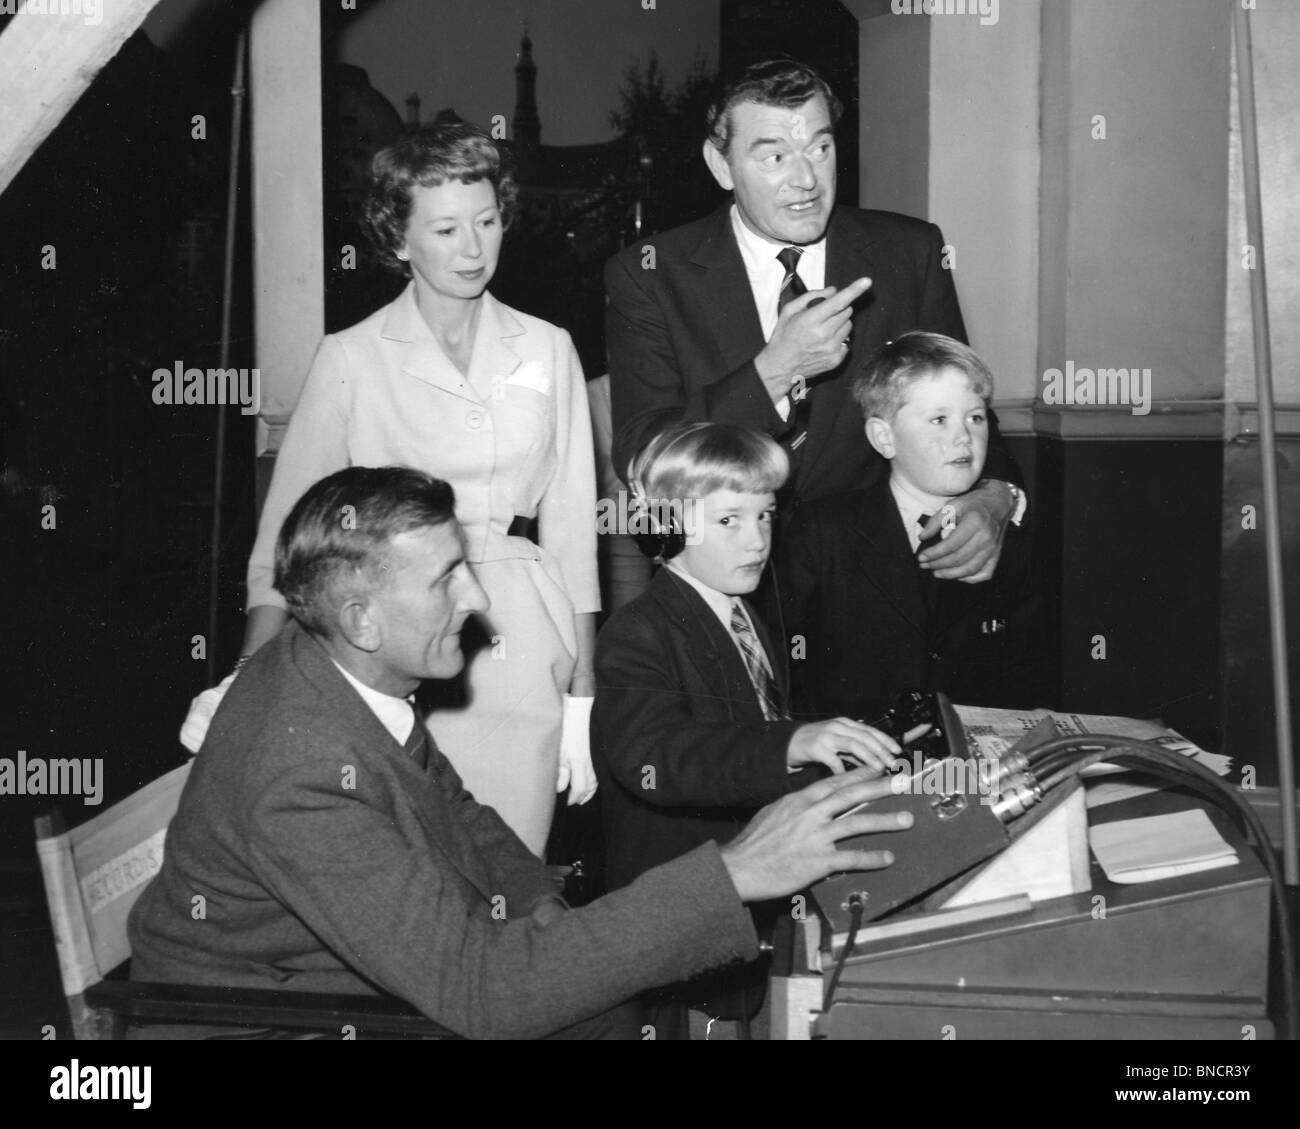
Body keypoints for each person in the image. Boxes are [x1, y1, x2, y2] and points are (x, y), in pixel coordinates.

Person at [127, 466, 913, 1040]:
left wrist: (538, 908)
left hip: (337, 986)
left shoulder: (338, 661)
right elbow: (482, 991)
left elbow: (459, 814)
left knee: (597, 998)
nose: (475, 597)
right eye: (446, 579)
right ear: (363, 619)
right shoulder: (299, 770)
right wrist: (737, 870)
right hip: (274, 1020)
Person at [201, 122, 599, 856]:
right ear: (396, 239)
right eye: (446, 229)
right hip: (388, 646)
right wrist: (246, 677)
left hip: (521, 648)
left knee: (511, 879)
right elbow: (286, 542)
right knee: (406, 883)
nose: (474, 249)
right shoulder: (351, 357)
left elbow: (575, 532)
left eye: (487, 222)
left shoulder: (549, 347)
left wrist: (583, 695)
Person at [604, 58, 1025, 585]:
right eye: (775, 156)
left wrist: (995, 497)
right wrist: (772, 373)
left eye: (819, 149)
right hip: (726, 583)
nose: (805, 180)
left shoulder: (909, 253)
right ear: (720, 165)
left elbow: (967, 409)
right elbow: (645, 455)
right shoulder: (651, 275)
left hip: (882, 580)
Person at [592, 422, 905, 1037]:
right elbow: (654, 755)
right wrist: (789, 742)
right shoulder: (639, 631)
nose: (757, 539)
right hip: (680, 890)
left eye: (764, 517)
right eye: (730, 520)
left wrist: (830, 742)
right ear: (668, 524)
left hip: (745, 893)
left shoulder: (744, 614)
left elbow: (759, 720)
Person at [780, 333, 1053, 723]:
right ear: (884, 438)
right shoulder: (824, 532)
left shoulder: (1004, 533)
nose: (963, 436)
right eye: (939, 419)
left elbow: (1029, 673)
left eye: (974, 417)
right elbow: (789, 672)